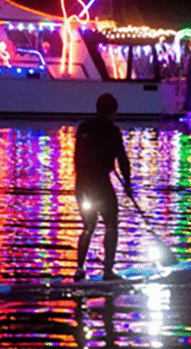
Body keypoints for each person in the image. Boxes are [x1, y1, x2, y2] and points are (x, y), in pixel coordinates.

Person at [73, 93, 132, 281]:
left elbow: (77, 157)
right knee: (111, 224)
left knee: (88, 226)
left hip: (82, 184)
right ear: (112, 112)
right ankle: (107, 271)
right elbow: (122, 160)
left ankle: (80, 269)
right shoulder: (113, 131)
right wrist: (128, 184)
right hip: (100, 184)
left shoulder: (83, 128)